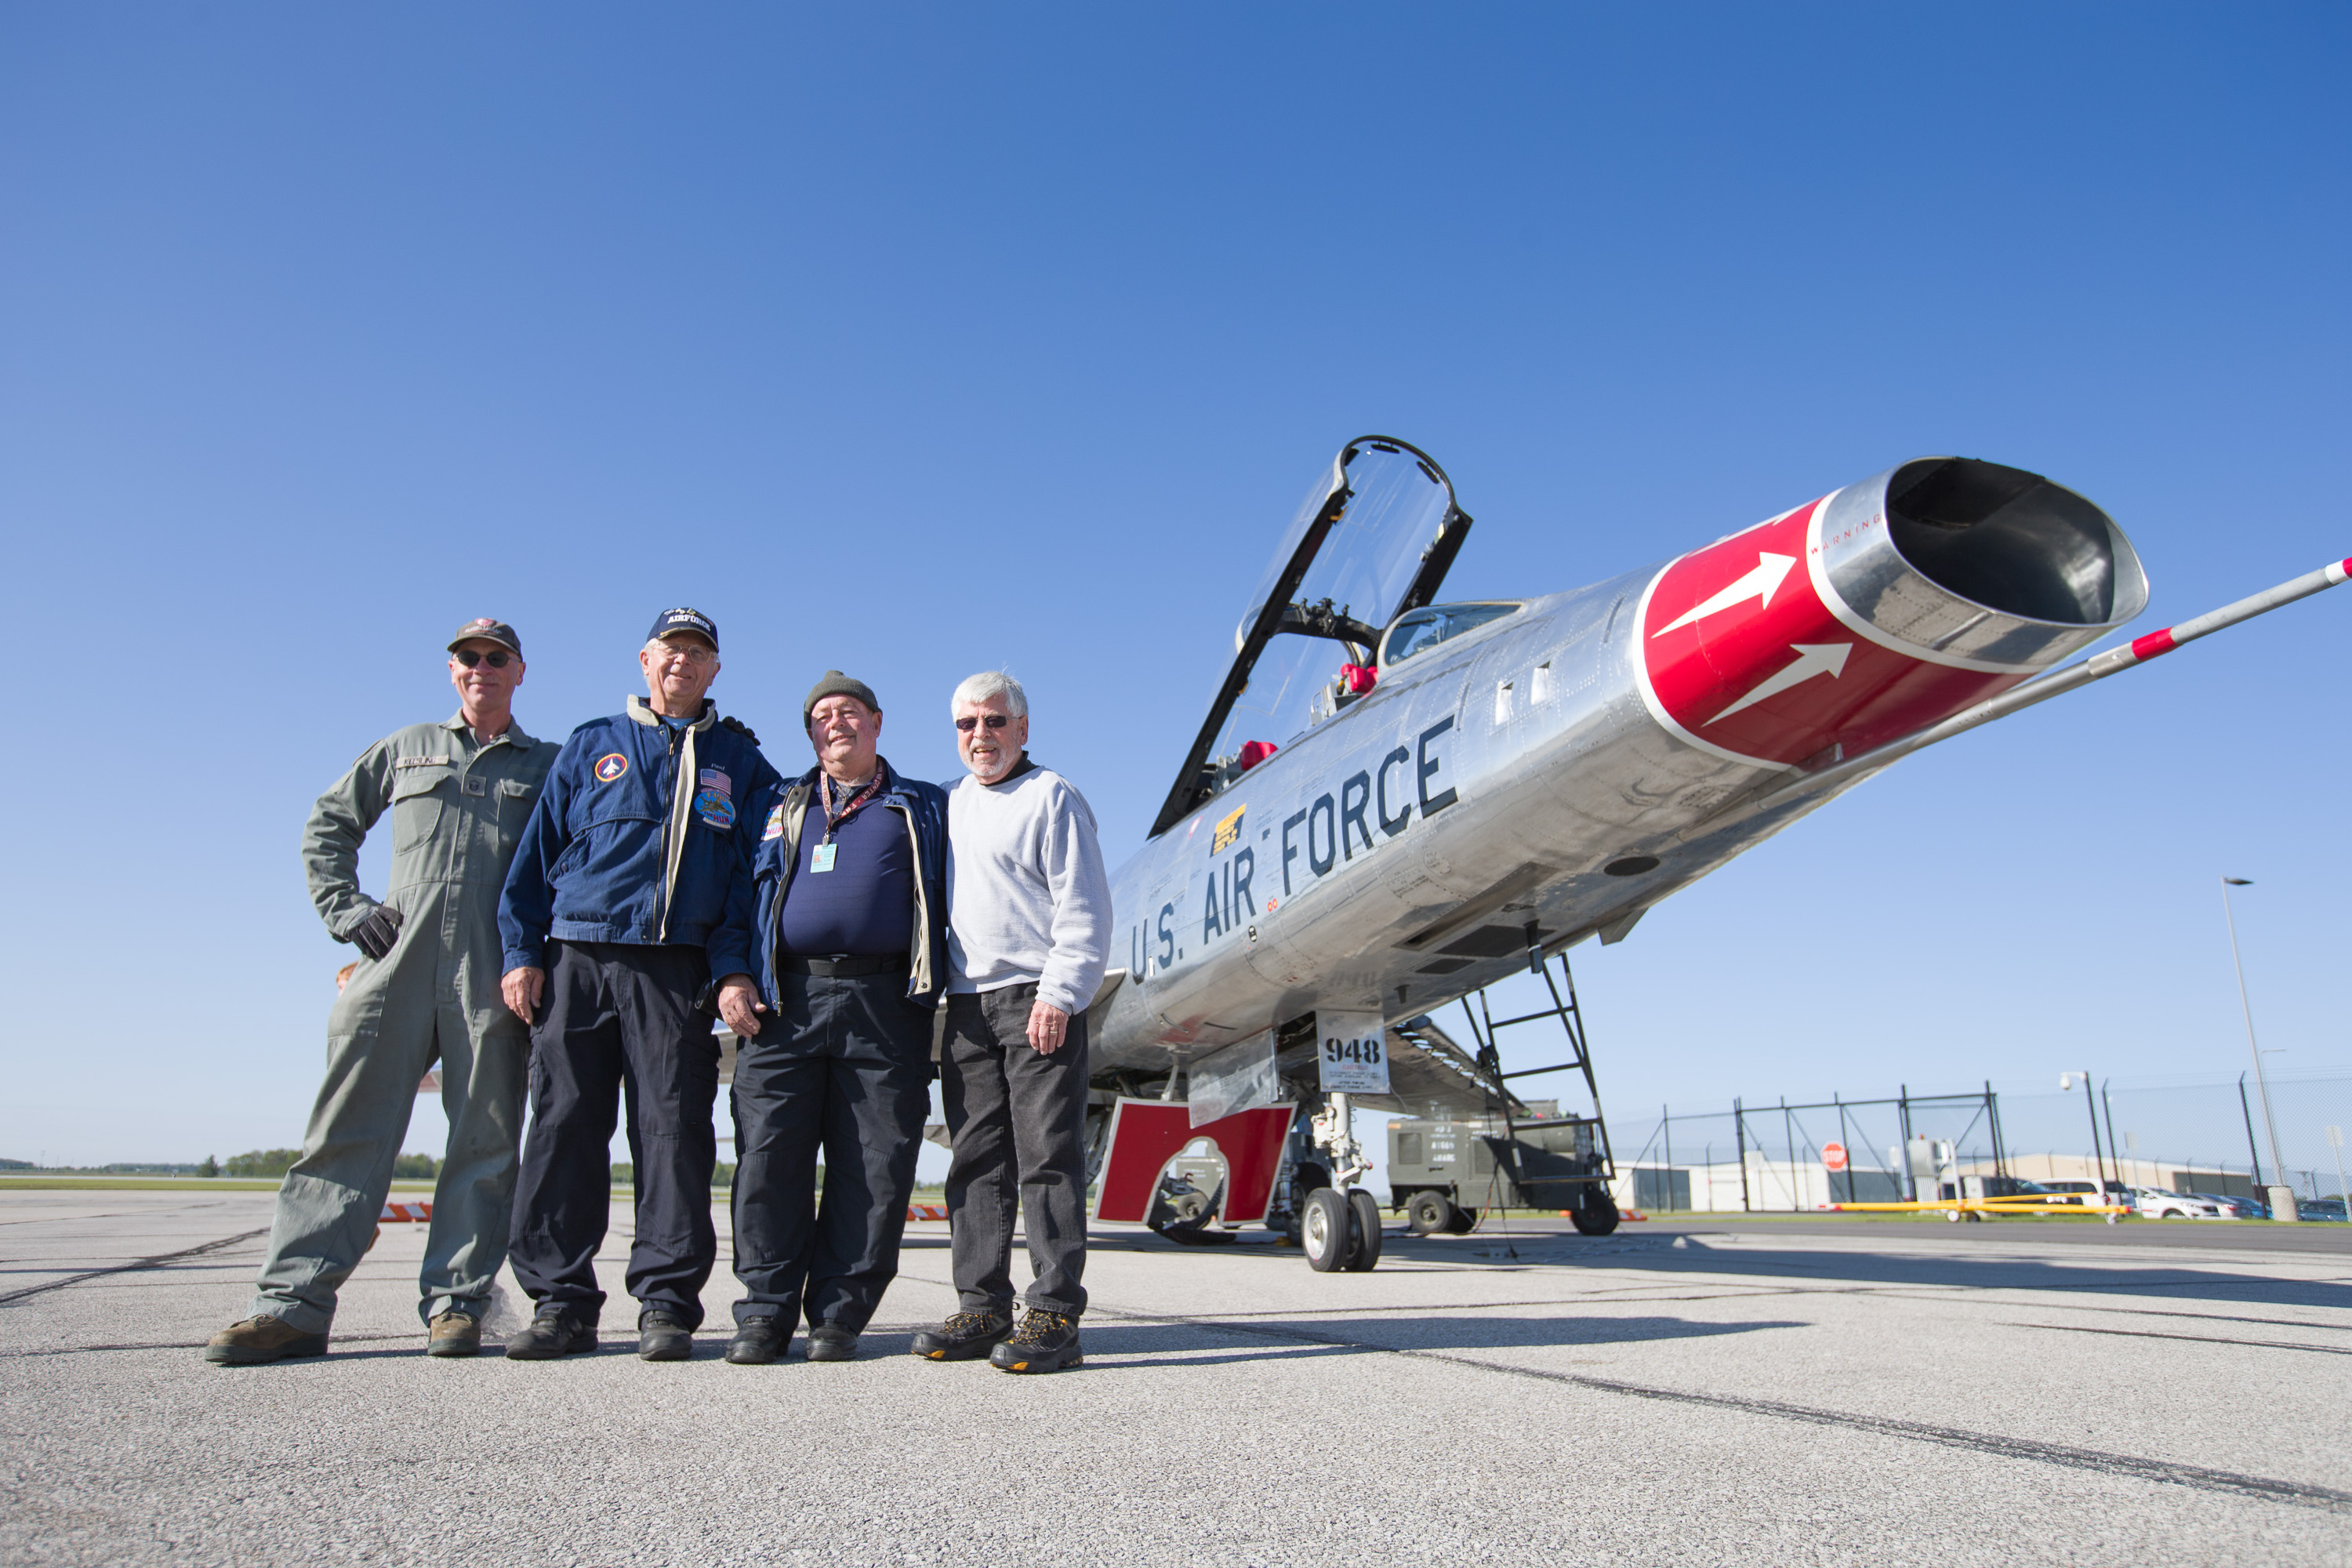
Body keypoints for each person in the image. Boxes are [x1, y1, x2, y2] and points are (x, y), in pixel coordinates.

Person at [205, 619, 552, 1365]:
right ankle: (292, 1305)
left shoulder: (548, 764)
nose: (481, 667)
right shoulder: (407, 748)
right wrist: (348, 910)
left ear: (520, 673)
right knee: (345, 1132)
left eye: (497, 658)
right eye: (468, 658)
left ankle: (456, 1305)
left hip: (490, 972)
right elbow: (328, 824)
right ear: (451, 670)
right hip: (393, 959)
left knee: (485, 1139)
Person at [496, 608, 779, 1362]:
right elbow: (533, 862)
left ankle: (666, 1304)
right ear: (645, 660)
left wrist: (731, 968)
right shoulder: (591, 745)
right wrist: (521, 953)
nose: (682, 663)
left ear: (715, 669)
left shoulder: (741, 763)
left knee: (674, 1135)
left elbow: (751, 887)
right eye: (671, 650)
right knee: (563, 1129)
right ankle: (561, 1303)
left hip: (674, 968)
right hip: (577, 957)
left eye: (698, 653)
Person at [725, 672, 949, 1364]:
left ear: (877, 723)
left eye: (848, 712)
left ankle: (839, 1317)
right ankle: (764, 1314)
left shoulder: (925, 806)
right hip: (783, 1004)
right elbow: (736, 898)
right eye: (821, 716)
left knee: (875, 1167)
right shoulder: (777, 803)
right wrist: (732, 974)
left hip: (885, 1004)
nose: (835, 723)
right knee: (769, 1160)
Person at [913, 671, 1110, 1375]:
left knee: (1047, 1157)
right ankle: (983, 1306)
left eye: (995, 722)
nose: (980, 736)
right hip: (965, 1005)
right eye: (967, 724)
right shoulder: (947, 806)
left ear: (1022, 730)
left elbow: (1084, 907)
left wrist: (1060, 995)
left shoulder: (1051, 797)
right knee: (974, 1161)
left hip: (1035, 997)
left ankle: (1054, 1314)